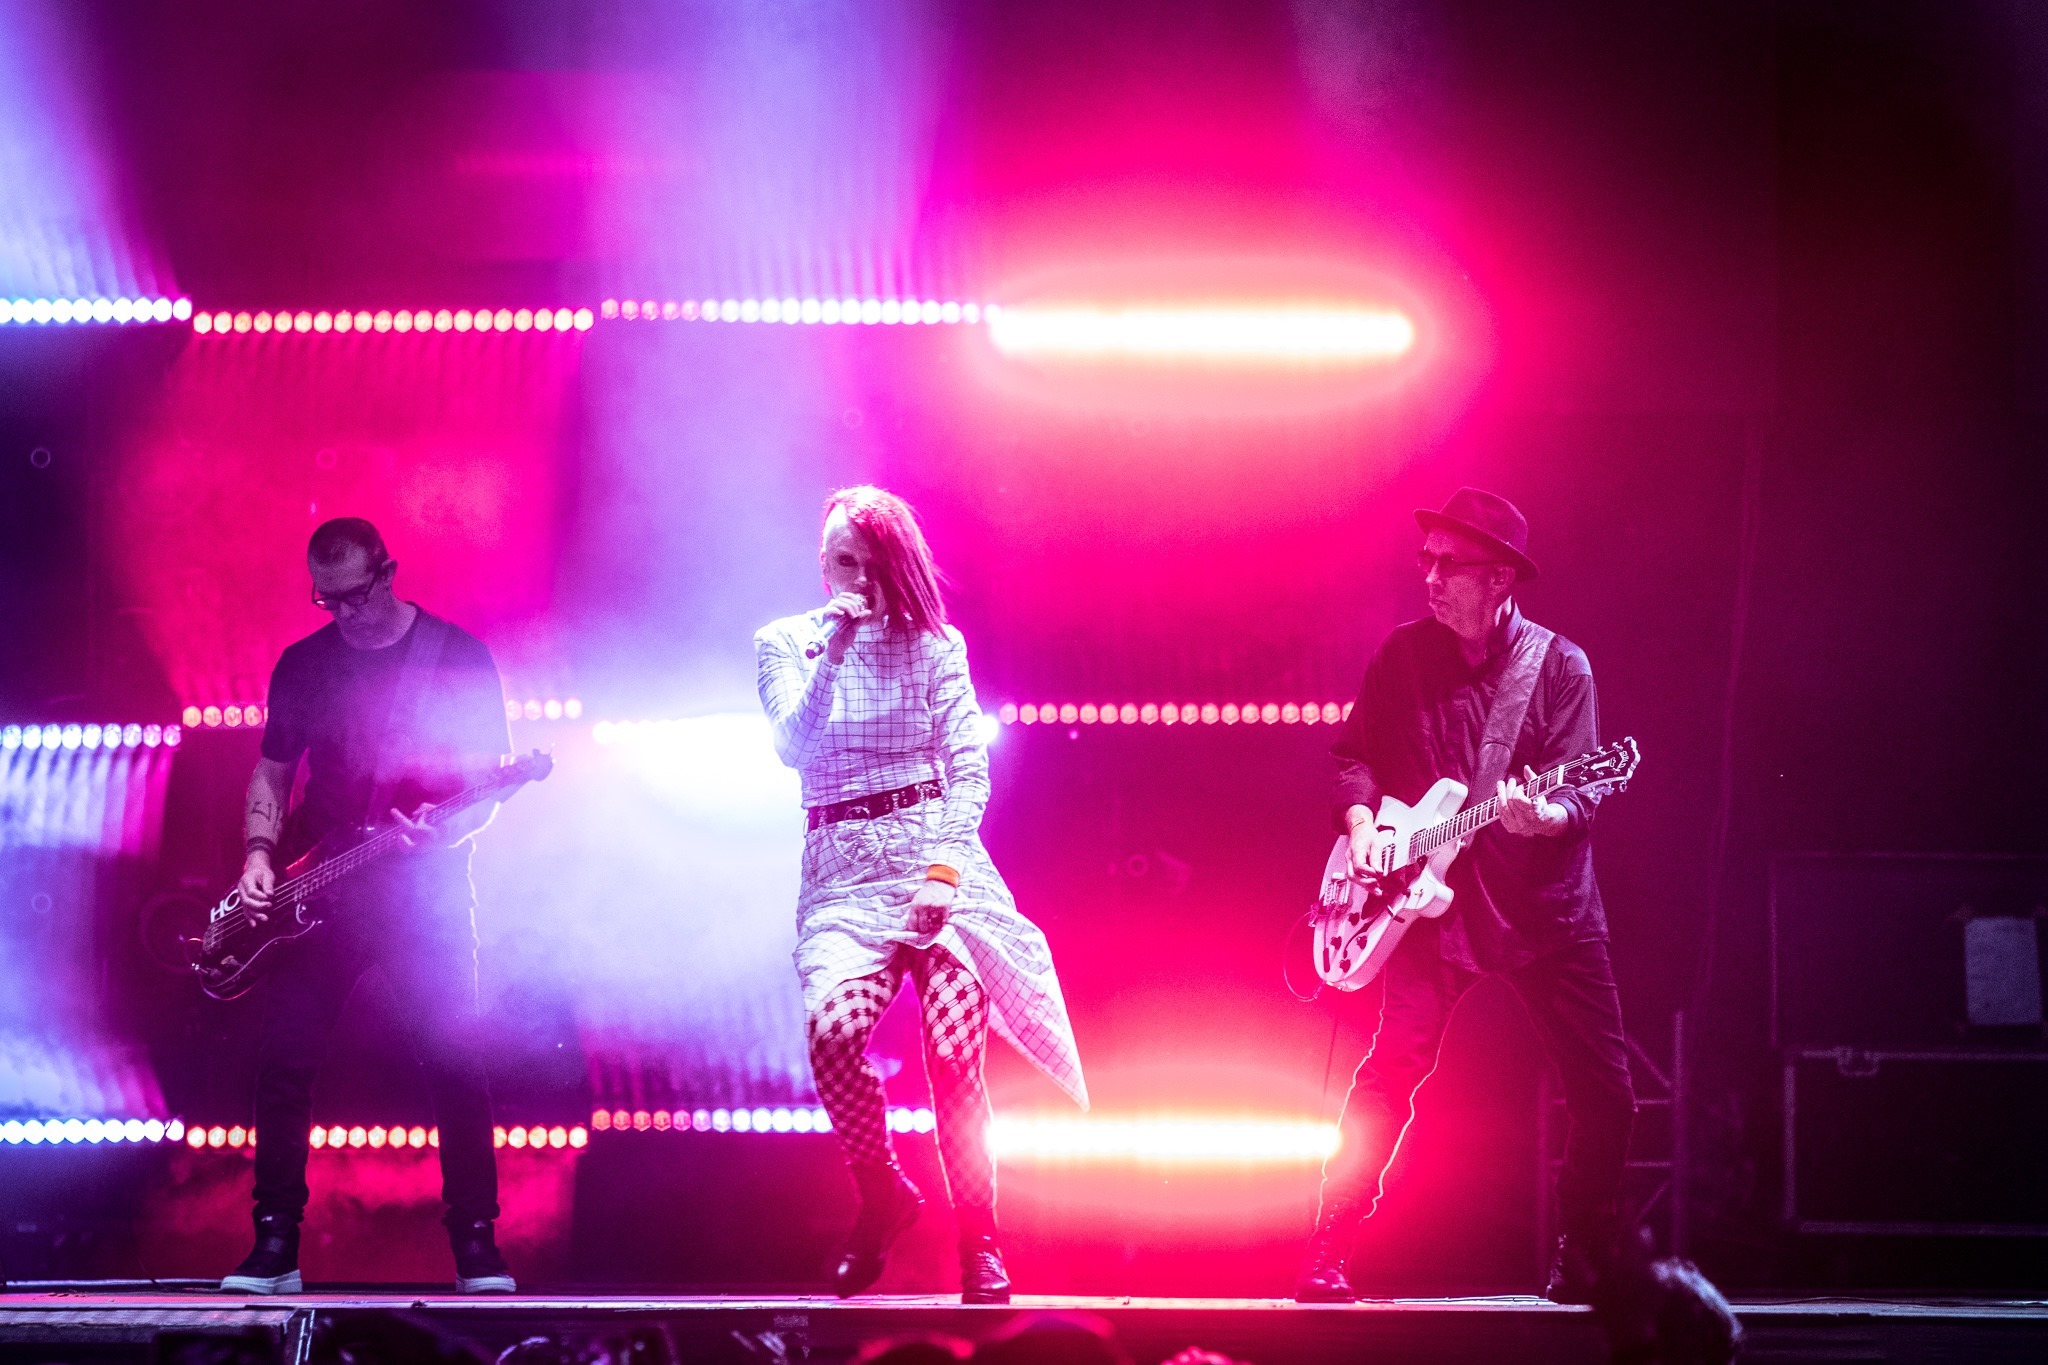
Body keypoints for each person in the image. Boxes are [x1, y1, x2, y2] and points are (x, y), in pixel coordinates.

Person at [1295, 487, 1636, 1304]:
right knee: (1390, 1073)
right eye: (1428, 561)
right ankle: (1329, 1247)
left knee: (1609, 1096)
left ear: (1500, 579)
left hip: (1544, 908)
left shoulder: (1561, 666)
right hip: (1423, 900)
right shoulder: (1402, 656)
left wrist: (1544, 815)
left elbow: (1581, 792)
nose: (1431, 577)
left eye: (1450, 565)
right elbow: (1352, 756)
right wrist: (1362, 823)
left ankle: (1582, 1252)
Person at [755, 485, 1088, 1304]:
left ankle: (981, 1240)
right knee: (833, 1035)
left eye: (871, 564)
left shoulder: (936, 645)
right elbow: (793, 747)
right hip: (842, 874)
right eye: (843, 561)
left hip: (936, 860)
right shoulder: (784, 642)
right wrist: (834, 651)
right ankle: (883, 1193)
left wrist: (942, 874)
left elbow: (968, 769)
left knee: (953, 1052)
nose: (856, 579)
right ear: (822, 561)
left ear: (894, 566)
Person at [221, 518, 516, 1294]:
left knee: (456, 1062)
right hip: (320, 888)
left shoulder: (458, 657)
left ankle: (477, 1244)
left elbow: (487, 788)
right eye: (326, 600)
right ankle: (275, 1242)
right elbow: (273, 770)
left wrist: (444, 834)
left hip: (426, 890)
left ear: (387, 572)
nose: (342, 613)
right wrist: (260, 854)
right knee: (284, 1060)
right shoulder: (304, 663)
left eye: (353, 595)